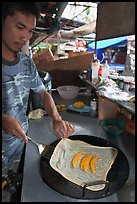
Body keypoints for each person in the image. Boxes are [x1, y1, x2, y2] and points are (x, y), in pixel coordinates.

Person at [2, 2, 75, 201]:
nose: (25, 37)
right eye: (19, 27)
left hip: (21, 147)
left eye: (30, 30)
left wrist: (56, 118)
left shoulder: (26, 63)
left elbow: (43, 93)